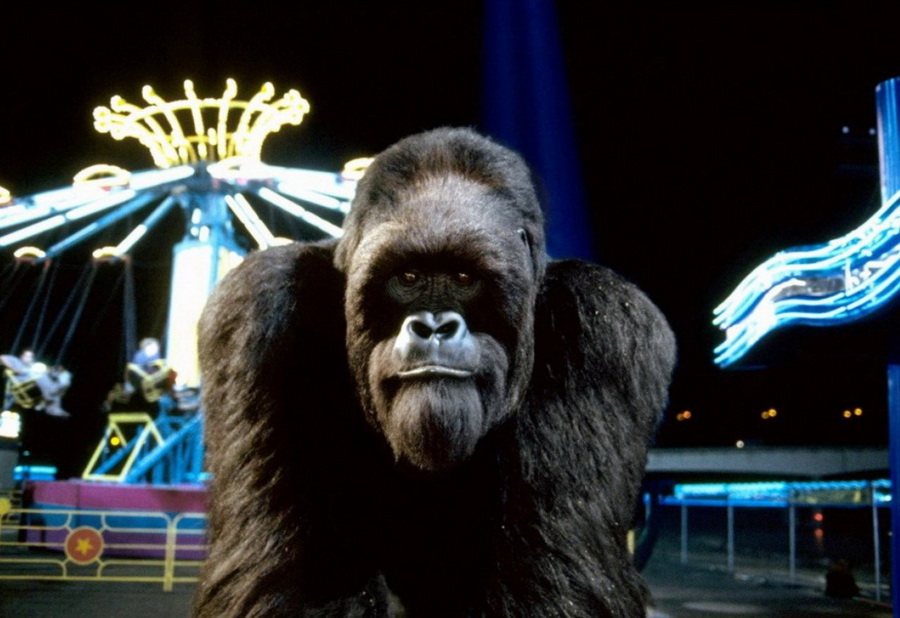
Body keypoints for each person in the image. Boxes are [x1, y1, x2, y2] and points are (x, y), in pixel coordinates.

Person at [1, 349, 71, 418]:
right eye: (26, 356)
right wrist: (14, 368)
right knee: (41, 376)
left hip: (34, 377)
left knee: (64, 374)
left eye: (30, 357)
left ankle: (55, 393)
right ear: (21, 356)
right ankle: (51, 399)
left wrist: (53, 369)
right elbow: (2, 357)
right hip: (24, 379)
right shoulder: (15, 360)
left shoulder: (31, 365)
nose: (28, 358)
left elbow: (43, 369)